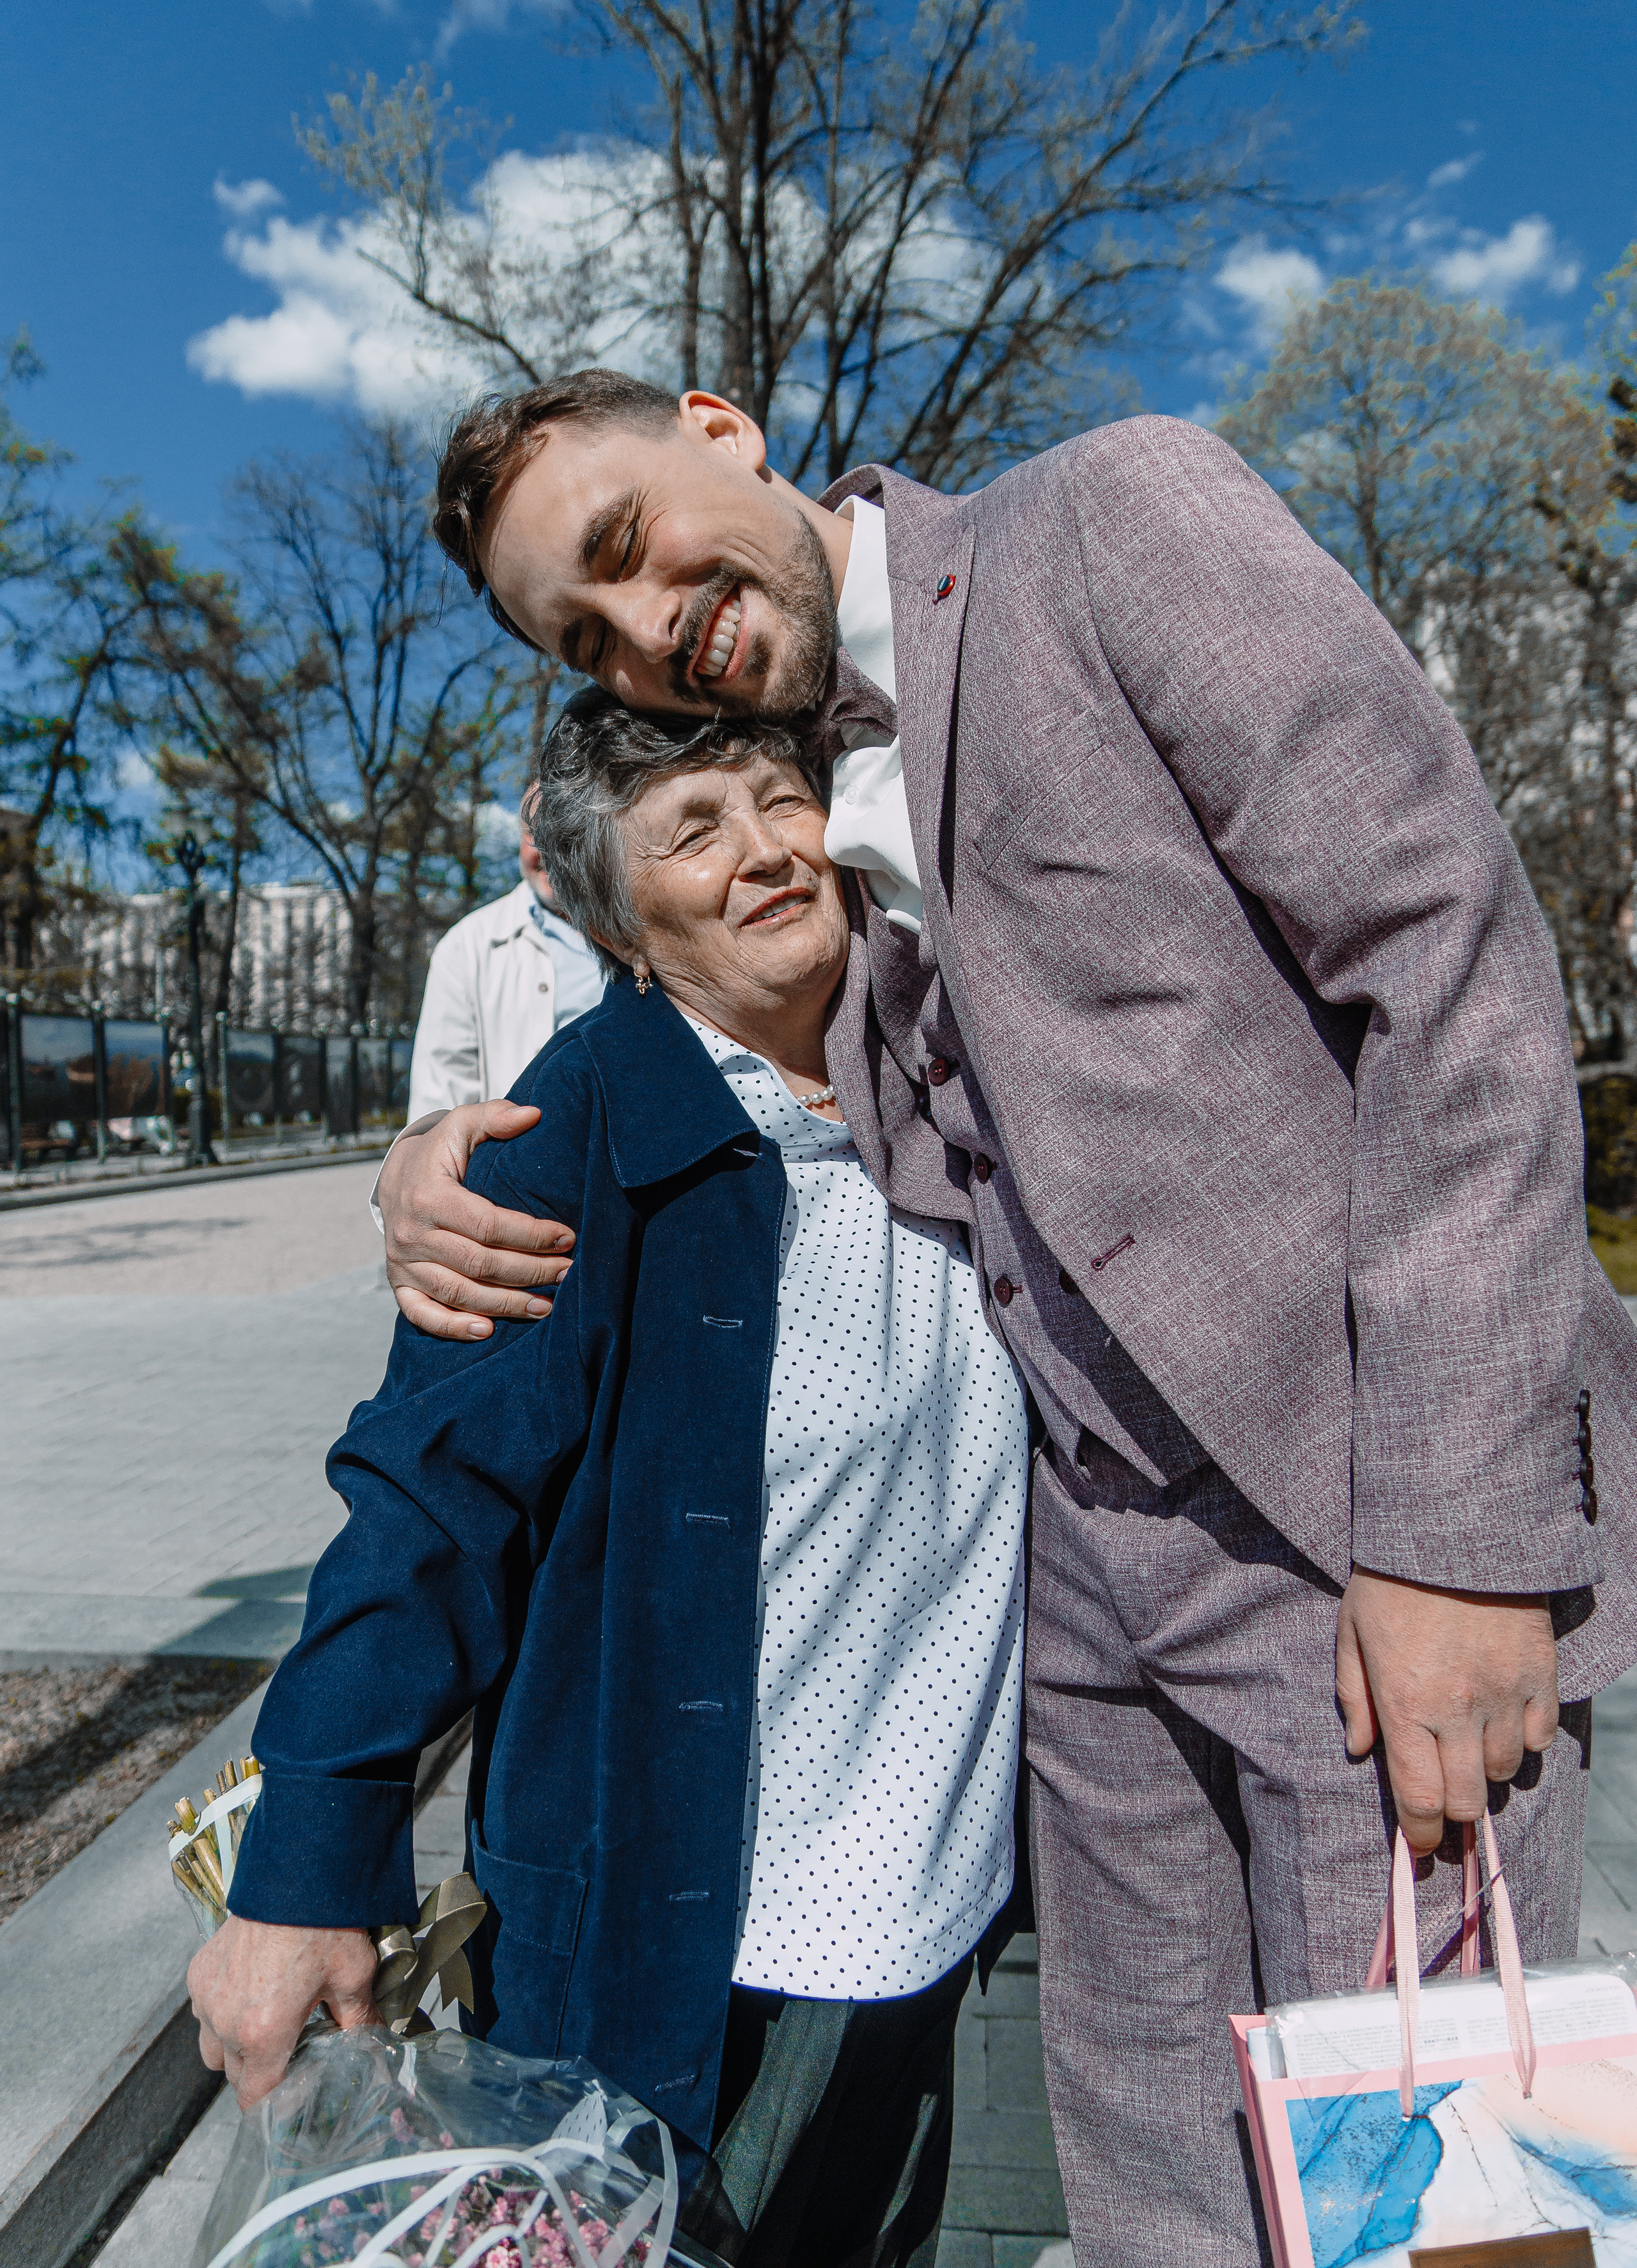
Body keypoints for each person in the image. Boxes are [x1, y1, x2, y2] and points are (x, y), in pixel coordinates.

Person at [373, 371, 1637, 2265]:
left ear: (721, 434)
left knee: (1433, 2190)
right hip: (1084, 1600)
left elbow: (1445, 967)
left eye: (626, 547)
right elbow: (735, 1066)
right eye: (588, 632)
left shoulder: (1111, 524)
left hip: (1360, 1559)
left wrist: (1454, 1543)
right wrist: (436, 1166)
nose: (645, 630)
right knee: (1153, 2182)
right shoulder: (799, 817)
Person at [188, 702, 1031, 2268]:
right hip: (705, 1933)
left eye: (779, 801)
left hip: (938, 1893)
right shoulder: (564, 1138)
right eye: (692, 828)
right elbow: (421, 1511)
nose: (762, 851)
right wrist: (300, 1868)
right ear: (611, 913)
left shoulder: (952, 1086)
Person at [405, 805, 604, 1122]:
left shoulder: (645, 938)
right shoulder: (465, 947)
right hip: (514, 1166)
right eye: (535, 835)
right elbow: (439, 1100)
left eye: (565, 832)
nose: (549, 850)